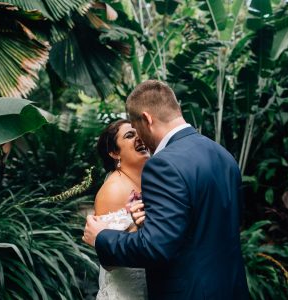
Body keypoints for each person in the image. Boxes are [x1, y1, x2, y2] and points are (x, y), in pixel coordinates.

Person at [83, 80, 249, 299]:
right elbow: (208, 225)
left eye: (136, 128)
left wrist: (101, 237)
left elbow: (155, 248)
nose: (139, 137)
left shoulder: (163, 164)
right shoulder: (223, 155)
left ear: (147, 119)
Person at [93, 119, 149, 299]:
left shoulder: (148, 180)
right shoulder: (113, 190)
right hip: (128, 291)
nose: (139, 137)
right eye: (130, 135)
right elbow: (108, 258)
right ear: (114, 153)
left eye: (139, 132)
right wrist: (138, 228)